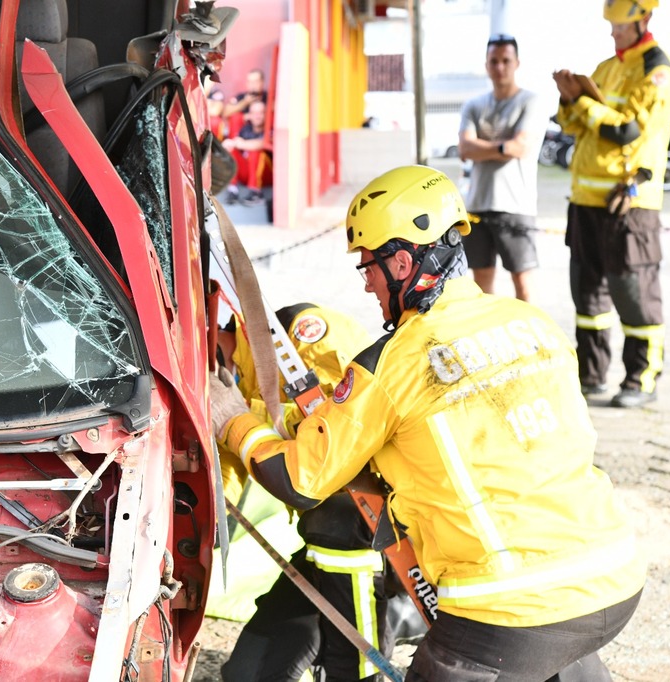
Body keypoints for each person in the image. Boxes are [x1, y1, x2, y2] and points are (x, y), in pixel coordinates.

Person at [209, 165, 646, 681]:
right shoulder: (533, 322)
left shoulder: (392, 362)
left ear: (402, 262)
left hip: (505, 606)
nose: (367, 282)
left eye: (368, 267)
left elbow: (303, 480)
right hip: (615, 577)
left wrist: (233, 420)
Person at [216, 303, 409, 682]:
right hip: (326, 550)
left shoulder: (297, 336)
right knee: (246, 675)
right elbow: (229, 469)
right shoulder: (230, 384)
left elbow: (340, 445)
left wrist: (239, 415)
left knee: (352, 670)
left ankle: (398, 609)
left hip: (377, 539)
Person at [552, 0, 670, 408]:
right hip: (585, 201)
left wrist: (586, 105)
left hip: (629, 202)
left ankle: (642, 378)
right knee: (587, 295)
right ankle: (591, 376)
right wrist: (569, 98)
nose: (613, 33)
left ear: (644, 19)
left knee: (634, 291)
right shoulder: (607, 67)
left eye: (620, 27)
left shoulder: (657, 71)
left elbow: (627, 131)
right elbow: (573, 126)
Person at [458, 34, 545, 302]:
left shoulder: (531, 101)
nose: (500, 67)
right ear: (486, 65)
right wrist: (502, 148)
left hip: (516, 207)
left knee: (524, 286)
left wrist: (483, 146)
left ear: (516, 63)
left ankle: (530, 342)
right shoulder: (474, 105)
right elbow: (465, 150)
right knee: (482, 289)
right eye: (494, 61)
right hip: (477, 206)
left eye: (506, 60)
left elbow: (520, 148)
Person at [222, 99, 272, 205]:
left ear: (266, 114)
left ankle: (255, 192)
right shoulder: (246, 129)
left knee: (256, 152)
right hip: (248, 174)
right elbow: (235, 144)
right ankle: (233, 190)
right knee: (233, 151)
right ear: (249, 115)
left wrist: (239, 143)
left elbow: (261, 144)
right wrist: (231, 144)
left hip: (268, 175)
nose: (257, 116)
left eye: (261, 113)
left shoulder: (270, 128)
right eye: (254, 113)